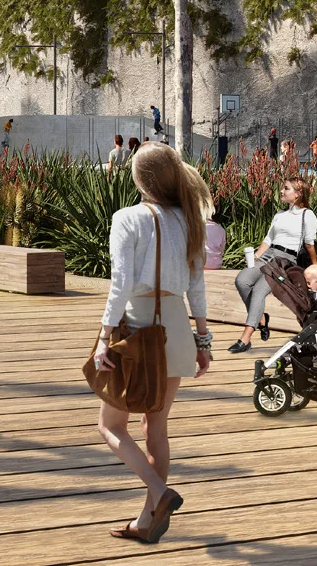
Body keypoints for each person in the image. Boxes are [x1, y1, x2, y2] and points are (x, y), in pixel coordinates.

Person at [97, 144, 211, 545]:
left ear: (139, 178)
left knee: (110, 425)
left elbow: (121, 284)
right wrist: (203, 340)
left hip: (138, 327)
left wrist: (103, 337)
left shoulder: (127, 218)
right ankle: (146, 521)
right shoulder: (188, 219)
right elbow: (197, 286)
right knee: (156, 427)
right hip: (176, 325)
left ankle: (160, 494)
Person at [229, 176, 317, 352]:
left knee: (259, 291)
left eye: (286, 188)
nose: (282, 191)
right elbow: (268, 239)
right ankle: (262, 319)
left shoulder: (307, 215)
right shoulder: (279, 214)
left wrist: (315, 266)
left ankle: (245, 339)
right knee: (242, 280)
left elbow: (309, 244)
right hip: (268, 254)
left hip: (285, 259)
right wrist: (256, 255)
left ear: (298, 193)